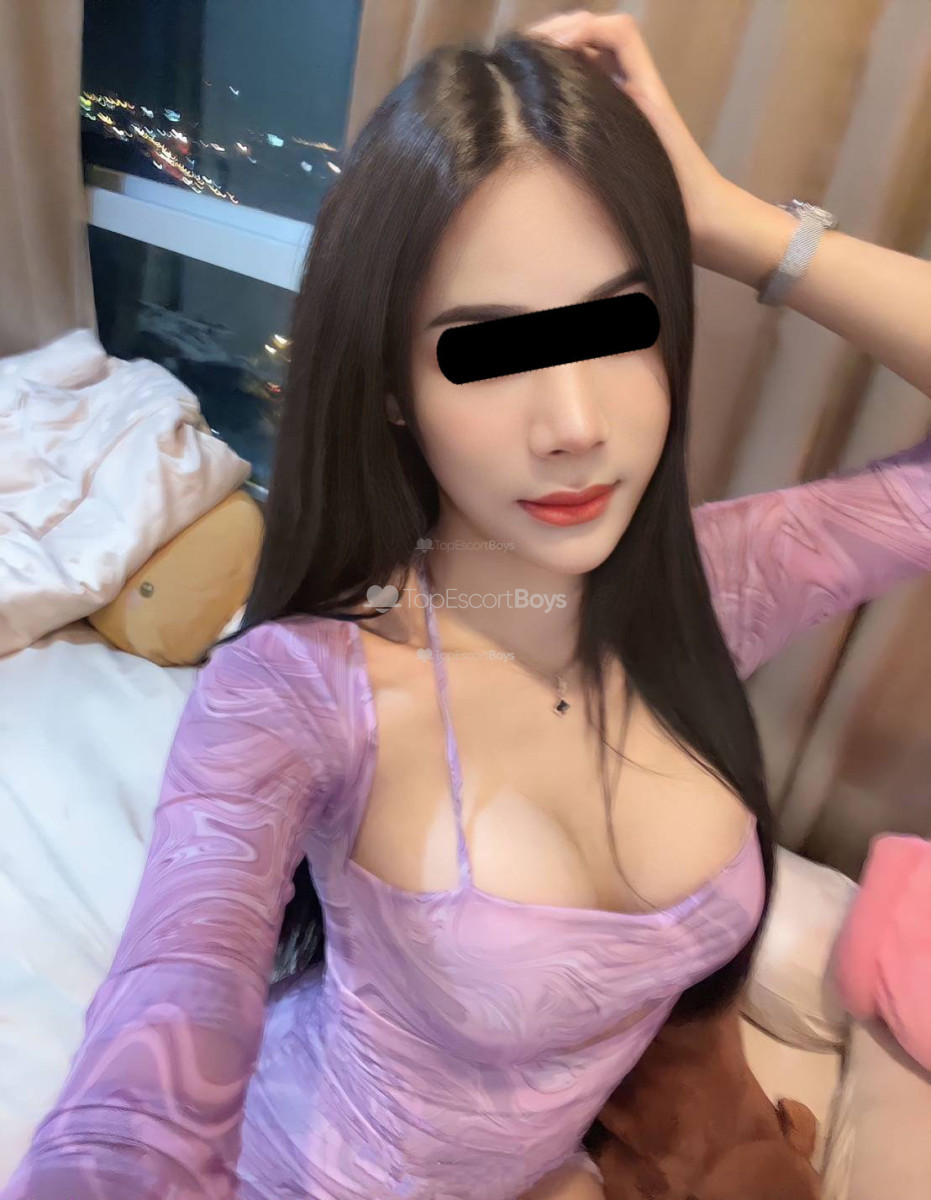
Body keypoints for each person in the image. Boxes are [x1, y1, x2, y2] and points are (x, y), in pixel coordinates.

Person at [4, 10, 930, 1200]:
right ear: (392, 389)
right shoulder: (293, 693)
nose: (574, 426)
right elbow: (153, 1052)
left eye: (618, 324)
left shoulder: (709, 586)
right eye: (484, 353)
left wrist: (729, 223)